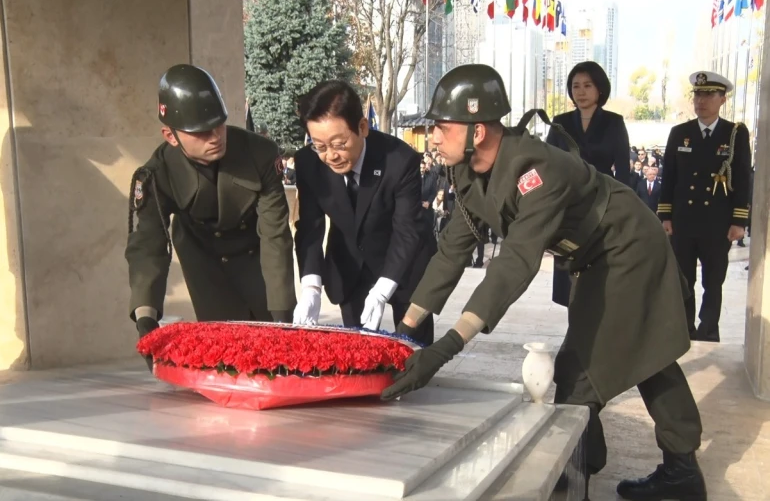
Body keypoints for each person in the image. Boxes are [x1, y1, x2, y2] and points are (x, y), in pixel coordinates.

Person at [381, 64, 705, 501]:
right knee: (648, 354)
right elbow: (452, 252)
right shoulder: (469, 171)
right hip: (593, 255)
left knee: (582, 371)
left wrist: (449, 346)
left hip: (627, 246)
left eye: (442, 127)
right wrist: (404, 332)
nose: (433, 138)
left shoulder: (537, 170)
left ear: (478, 130)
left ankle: (576, 476)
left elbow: (515, 262)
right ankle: (680, 473)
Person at [126, 64, 296, 364]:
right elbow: (148, 246)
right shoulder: (156, 172)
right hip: (204, 258)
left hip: (255, 253)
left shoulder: (260, 154)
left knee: (276, 352)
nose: (215, 136)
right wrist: (146, 319)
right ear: (170, 135)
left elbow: (275, 237)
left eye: (219, 124)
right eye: (201, 132)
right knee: (226, 354)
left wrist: (282, 318)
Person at [292, 80, 436, 344]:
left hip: (405, 264)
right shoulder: (308, 163)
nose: (330, 156)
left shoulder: (399, 159)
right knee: (356, 350)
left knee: (414, 350)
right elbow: (310, 227)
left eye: (339, 144)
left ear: (362, 127)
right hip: (350, 268)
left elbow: (406, 229)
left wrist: (382, 291)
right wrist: (311, 286)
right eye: (320, 146)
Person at [658, 71, 751, 343]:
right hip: (684, 221)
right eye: (698, 94)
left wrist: (739, 221)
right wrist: (665, 215)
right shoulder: (680, 133)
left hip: (716, 222)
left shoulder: (734, 134)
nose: (701, 100)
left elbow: (742, 178)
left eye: (709, 95)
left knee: (713, 280)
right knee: (683, 280)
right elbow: (669, 177)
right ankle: (684, 329)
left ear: (723, 99)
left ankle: (708, 330)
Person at [546, 61, 632, 307]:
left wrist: (621, 209)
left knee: (598, 275)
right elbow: (547, 165)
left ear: (600, 89)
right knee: (568, 276)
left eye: (587, 85)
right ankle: (574, 324)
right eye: (576, 86)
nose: (581, 92)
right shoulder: (560, 122)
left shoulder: (614, 122)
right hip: (567, 207)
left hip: (602, 205)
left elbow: (623, 171)